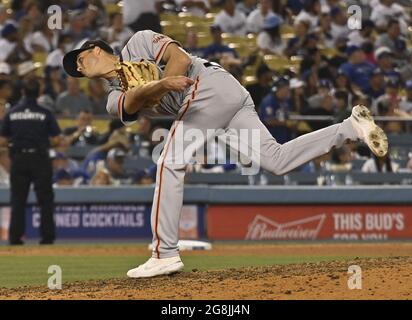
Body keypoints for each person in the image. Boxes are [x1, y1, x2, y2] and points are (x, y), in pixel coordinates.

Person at [63, 29, 388, 278]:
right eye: (75, 68)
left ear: (95, 49)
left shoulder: (139, 41)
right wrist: (157, 86)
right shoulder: (111, 96)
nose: (78, 67)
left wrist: (162, 81)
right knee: (276, 160)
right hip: (218, 101)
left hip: (207, 84)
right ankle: (350, 127)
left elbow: (181, 61)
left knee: (168, 162)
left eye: (79, 59)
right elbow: (131, 104)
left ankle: (164, 254)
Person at [0, 79, 62, 245]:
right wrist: (42, 141)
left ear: (23, 92)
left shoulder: (12, 113)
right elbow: (57, 139)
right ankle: (47, 238)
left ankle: (15, 238)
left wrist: (17, 141)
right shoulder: (45, 112)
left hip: (19, 158)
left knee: (18, 200)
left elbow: (2, 140)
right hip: (40, 158)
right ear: (39, 93)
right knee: (45, 200)